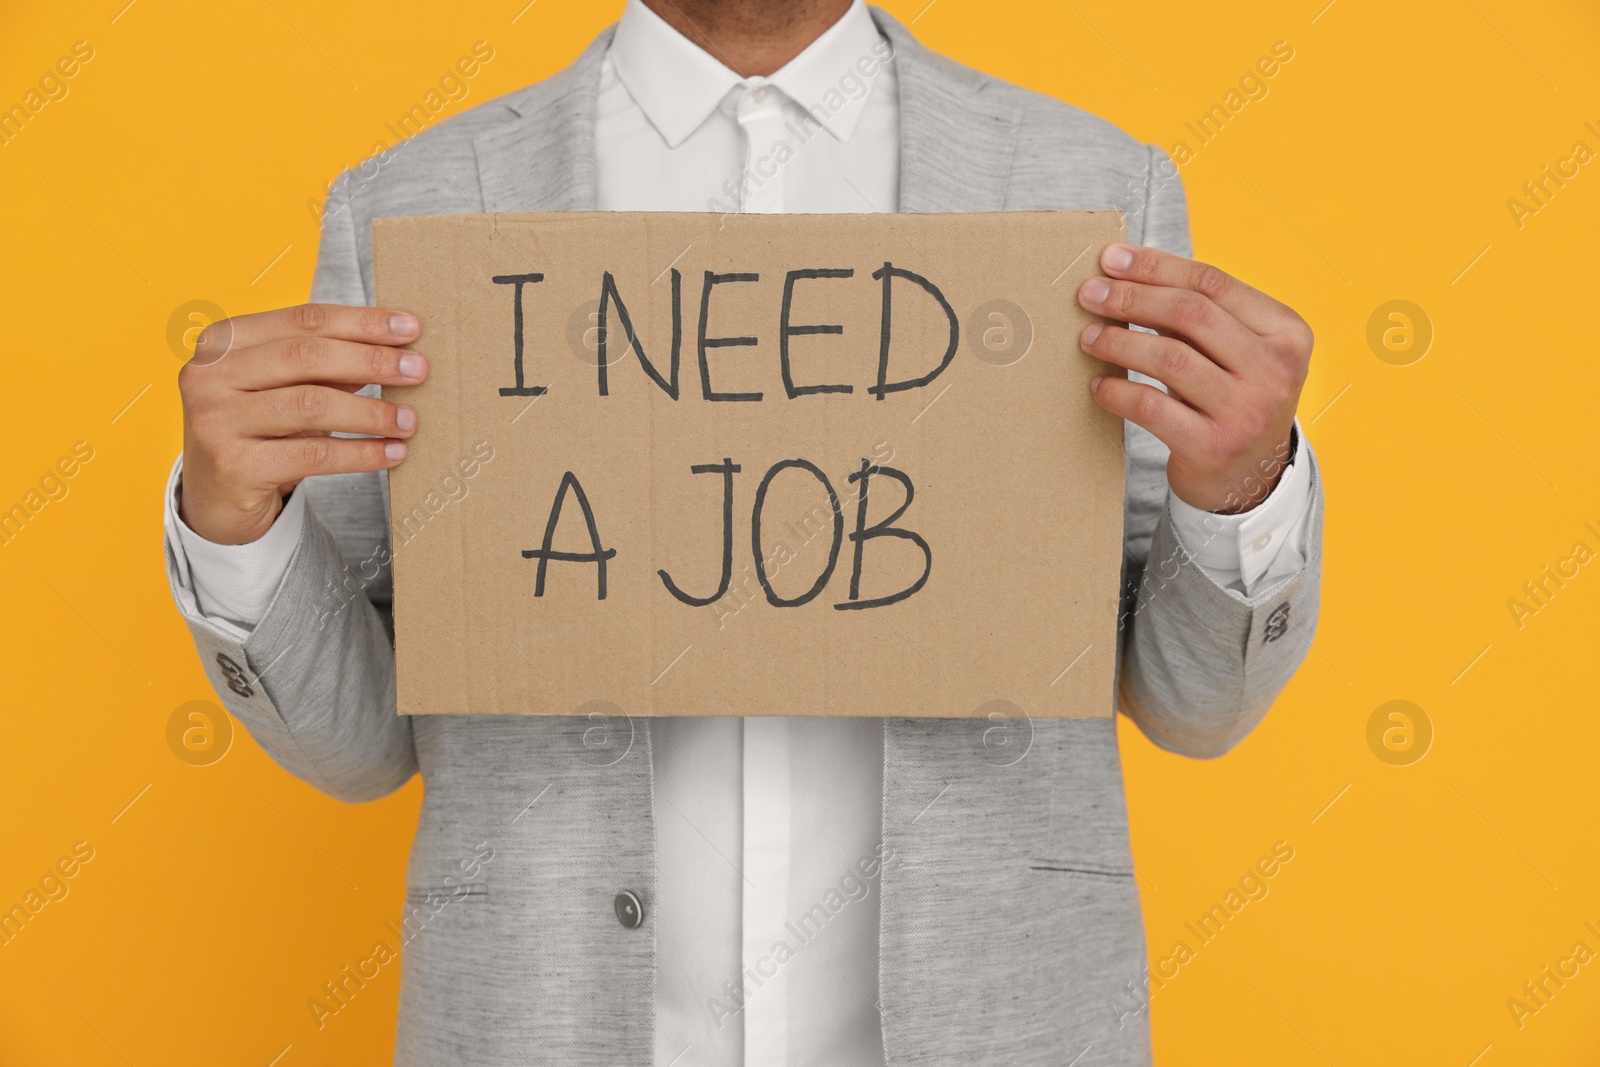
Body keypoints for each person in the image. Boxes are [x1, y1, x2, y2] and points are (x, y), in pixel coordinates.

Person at [165, 2, 1322, 1064]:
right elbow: (363, 738)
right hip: (547, 1023)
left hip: (997, 1019)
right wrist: (236, 523)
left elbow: (1192, 702)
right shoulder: (415, 200)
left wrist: (1242, 485)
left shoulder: (1093, 181)